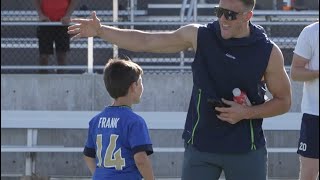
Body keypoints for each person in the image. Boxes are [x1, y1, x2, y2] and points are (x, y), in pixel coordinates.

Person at [68, 0, 292, 179]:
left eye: (230, 14)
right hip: (201, 148)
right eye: (219, 11)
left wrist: (247, 113)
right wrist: (101, 31)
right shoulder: (200, 35)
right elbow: (147, 42)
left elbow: (284, 101)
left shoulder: (268, 52)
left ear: (247, 16)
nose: (223, 18)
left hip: (246, 150)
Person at [83, 58, 155, 180]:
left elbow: (88, 156)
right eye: (141, 82)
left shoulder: (96, 121)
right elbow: (141, 159)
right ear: (133, 87)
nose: (142, 87)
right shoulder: (135, 121)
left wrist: (101, 175)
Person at [290, 22, 319, 180]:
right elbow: (295, 73)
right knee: (309, 174)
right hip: (315, 115)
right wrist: (317, 73)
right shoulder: (311, 32)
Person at [34, 0, 77, 74]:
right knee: (43, 57)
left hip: (62, 23)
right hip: (46, 22)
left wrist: (67, 15)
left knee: (62, 57)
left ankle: (61, 82)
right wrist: (40, 15)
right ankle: (42, 83)